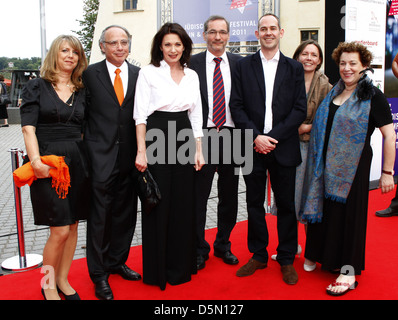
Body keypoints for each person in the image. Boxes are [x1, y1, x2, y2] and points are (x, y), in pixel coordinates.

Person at [300, 42, 396, 296]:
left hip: (354, 166)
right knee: (329, 213)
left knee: (351, 218)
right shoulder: (334, 92)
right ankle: (323, 257)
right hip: (326, 165)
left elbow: (389, 135)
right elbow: (326, 123)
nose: (347, 68)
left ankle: (348, 272)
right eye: (343, 63)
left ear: (364, 65)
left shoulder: (372, 95)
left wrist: (388, 172)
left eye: (353, 63)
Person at [230, 14, 307, 285]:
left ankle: (286, 258)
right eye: (263, 29)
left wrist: (271, 137)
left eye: (273, 28)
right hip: (252, 146)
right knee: (253, 204)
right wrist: (256, 137)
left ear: (281, 32)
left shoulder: (294, 68)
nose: (268, 32)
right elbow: (236, 106)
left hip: (283, 146)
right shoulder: (243, 66)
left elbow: (300, 109)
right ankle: (259, 255)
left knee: (286, 204)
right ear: (257, 33)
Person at [134, 22, 205, 290]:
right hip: (156, 134)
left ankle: (180, 267)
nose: (173, 49)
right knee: (158, 202)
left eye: (178, 44)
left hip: (184, 135)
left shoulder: (192, 75)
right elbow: (140, 115)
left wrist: (199, 150)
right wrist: (142, 151)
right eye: (167, 45)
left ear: (184, 46)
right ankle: (157, 269)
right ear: (159, 47)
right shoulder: (148, 73)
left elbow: (196, 114)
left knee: (183, 203)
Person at [19, 35, 89, 300]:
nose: (70, 55)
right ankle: (47, 284)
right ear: (54, 55)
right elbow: (28, 128)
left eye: (75, 52)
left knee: (72, 226)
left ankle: (62, 279)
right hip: (47, 163)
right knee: (58, 229)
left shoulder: (82, 90)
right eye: (64, 50)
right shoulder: (36, 86)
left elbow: (85, 130)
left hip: (76, 163)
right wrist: (35, 162)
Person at [83, 25, 141, 300]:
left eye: (124, 42)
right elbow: (82, 117)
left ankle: (117, 262)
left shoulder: (139, 74)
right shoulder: (89, 75)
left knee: (125, 214)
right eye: (113, 43)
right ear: (102, 46)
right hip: (100, 158)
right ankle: (99, 274)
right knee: (99, 218)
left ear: (129, 45)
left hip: (130, 160)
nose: (119, 47)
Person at [271, 40, 333, 267]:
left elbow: (328, 117)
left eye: (313, 55)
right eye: (304, 53)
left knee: (310, 197)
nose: (308, 58)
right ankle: (291, 245)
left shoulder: (326, 85)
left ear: (319, 60)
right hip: (286, 144)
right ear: (297, 57)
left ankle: (311, 251)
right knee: (289, 198)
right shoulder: (285, 78)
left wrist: (307, 127)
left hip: (311, 147)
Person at [189, 15, 242, 270]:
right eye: (212, 32)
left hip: (233, 135)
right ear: (204, 35)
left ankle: (223, 244)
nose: (217, 37)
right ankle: (199, 248)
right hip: (203, 136)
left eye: (222, 32)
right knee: (199, 196)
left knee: (229, 196)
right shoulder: (191, 64)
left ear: (229, 35)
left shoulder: (240, 64)